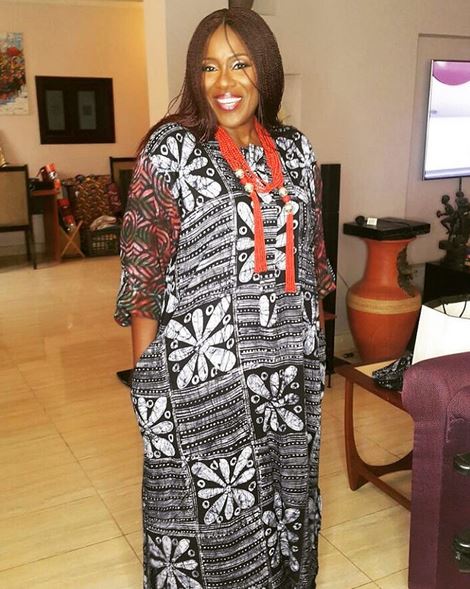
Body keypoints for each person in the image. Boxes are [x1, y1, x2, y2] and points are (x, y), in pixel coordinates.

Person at [115, 7, 335, 588]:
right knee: (212, 520)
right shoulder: (170, 149)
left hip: (286, 377)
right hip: (202, 378)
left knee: (285, 505)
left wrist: (314, 363)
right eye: (209, 67)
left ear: (266, 69)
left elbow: (312, 261)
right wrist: (146, 387)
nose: (224, 82)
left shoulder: (297, 150)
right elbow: (143, 277)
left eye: (240, 64)